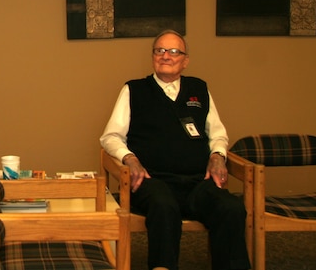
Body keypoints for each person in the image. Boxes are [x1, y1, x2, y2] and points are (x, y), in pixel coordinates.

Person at [100, 30, 250, 270]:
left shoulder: (199, 88)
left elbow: (218, 133)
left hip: (197, 182)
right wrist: (129, 158)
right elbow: (111, 136)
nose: (166, 56)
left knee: (231, 208)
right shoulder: (134, 90)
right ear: (153, 57)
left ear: (185, 60)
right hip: (152, 181)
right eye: (160, 50)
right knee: (164, 207)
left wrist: (217, 155)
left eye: (173, 51)